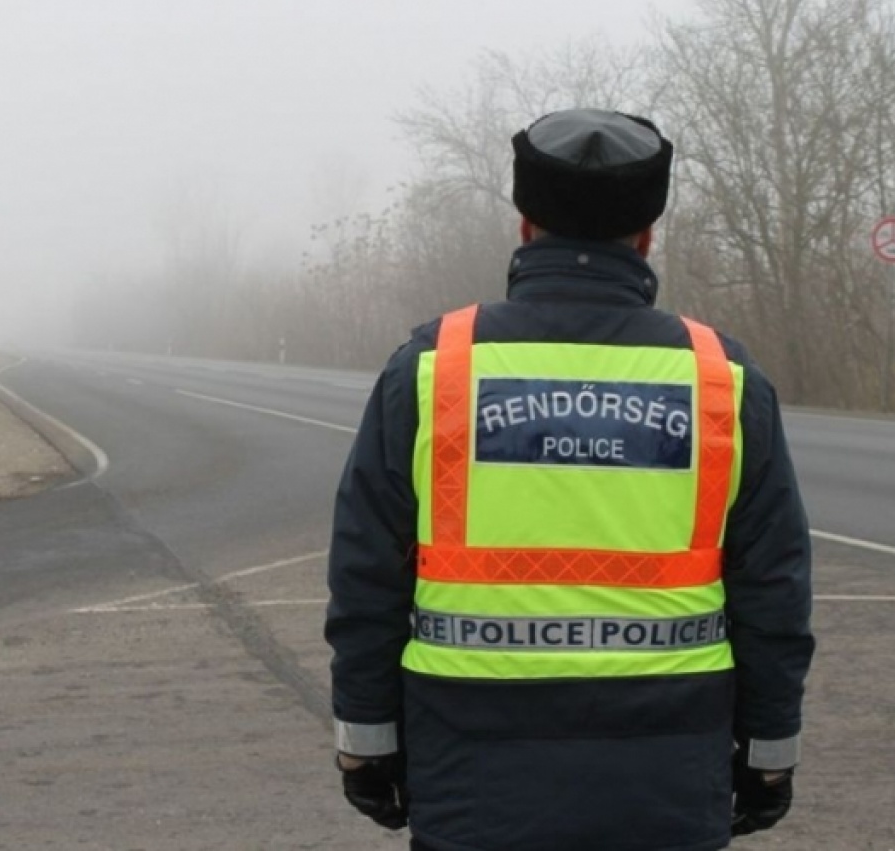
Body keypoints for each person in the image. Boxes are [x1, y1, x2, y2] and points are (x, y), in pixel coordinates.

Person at [324, 108, 815, 851]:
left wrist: (368, 743)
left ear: (526, 226)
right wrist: (769, 755)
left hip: (470, 774)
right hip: (669, 777)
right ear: (646, 236)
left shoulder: (434, 368)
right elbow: (773, 589)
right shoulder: (722, 379)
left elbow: (366, 576)